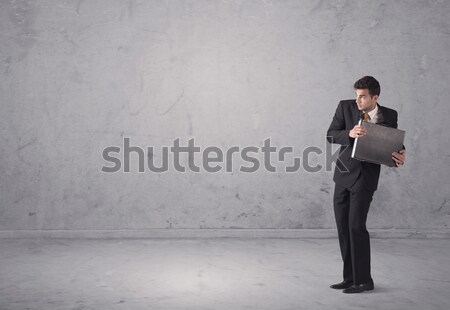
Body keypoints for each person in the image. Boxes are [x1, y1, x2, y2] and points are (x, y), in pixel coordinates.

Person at [326, 76, 406, 293]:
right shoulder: (345, 108)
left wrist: (401, 153)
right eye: (356, 95)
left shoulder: (388, 115)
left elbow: (393, 143)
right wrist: (349, 134)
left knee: (356, 227)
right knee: (343, 228)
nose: (358, 101)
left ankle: (364, 280)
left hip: (365, 178)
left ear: (375, 97)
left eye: (362, 96)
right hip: (342, 176)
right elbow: (330, 134)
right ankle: (350, 278)